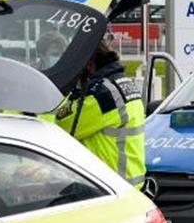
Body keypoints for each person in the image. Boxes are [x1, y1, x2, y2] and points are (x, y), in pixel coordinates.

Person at [45, 41, 146, 189]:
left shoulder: (102, 95)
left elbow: (62, 126)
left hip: (110, 188)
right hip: (128, 185)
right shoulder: (120, 83)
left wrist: (69, 87)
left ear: (88, 63)